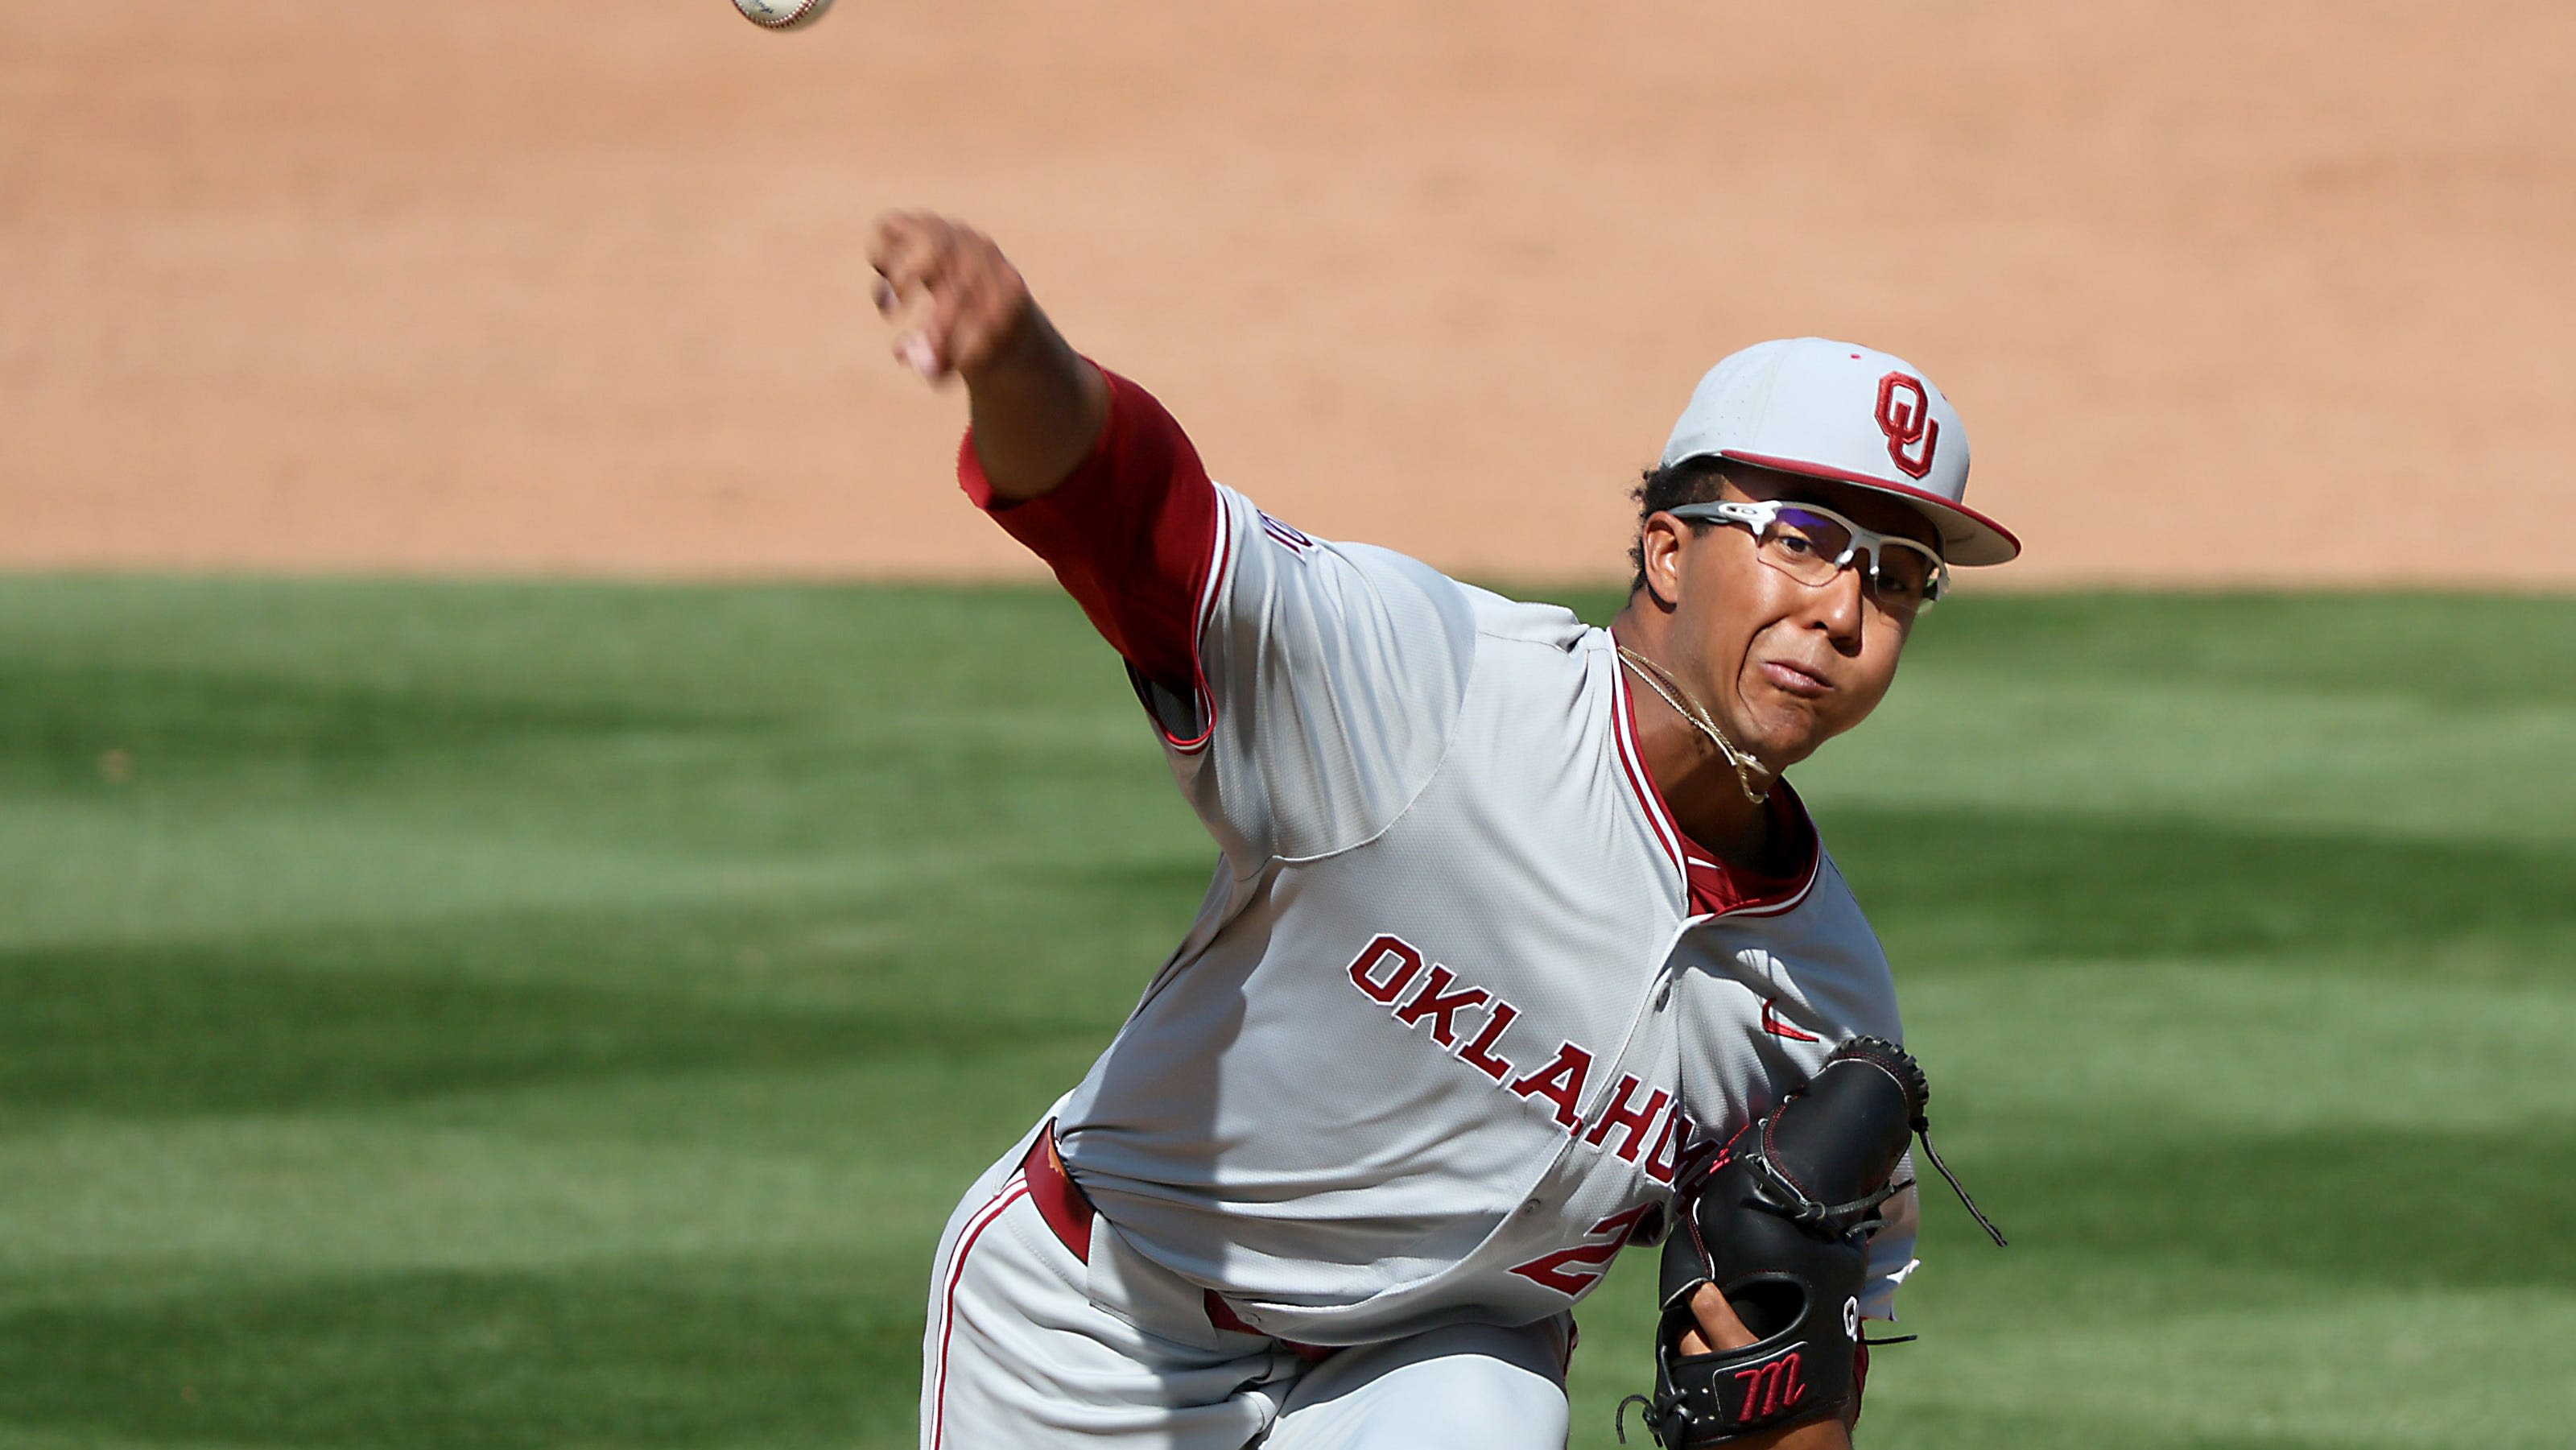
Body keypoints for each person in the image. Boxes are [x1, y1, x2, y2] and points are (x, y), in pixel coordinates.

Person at [872, 211, 2020, 1450]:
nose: (1843, 611)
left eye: (1895, 577)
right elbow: (1136, 518)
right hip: (1101, 1328)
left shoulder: (1824, 994)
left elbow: (1797, 1373)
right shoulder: (1432, 690)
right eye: (1802, 541)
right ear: (1669, 549)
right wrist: (1016, 353)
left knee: (1489, 1404)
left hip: (1419, 1379)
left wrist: (1790, 1402)